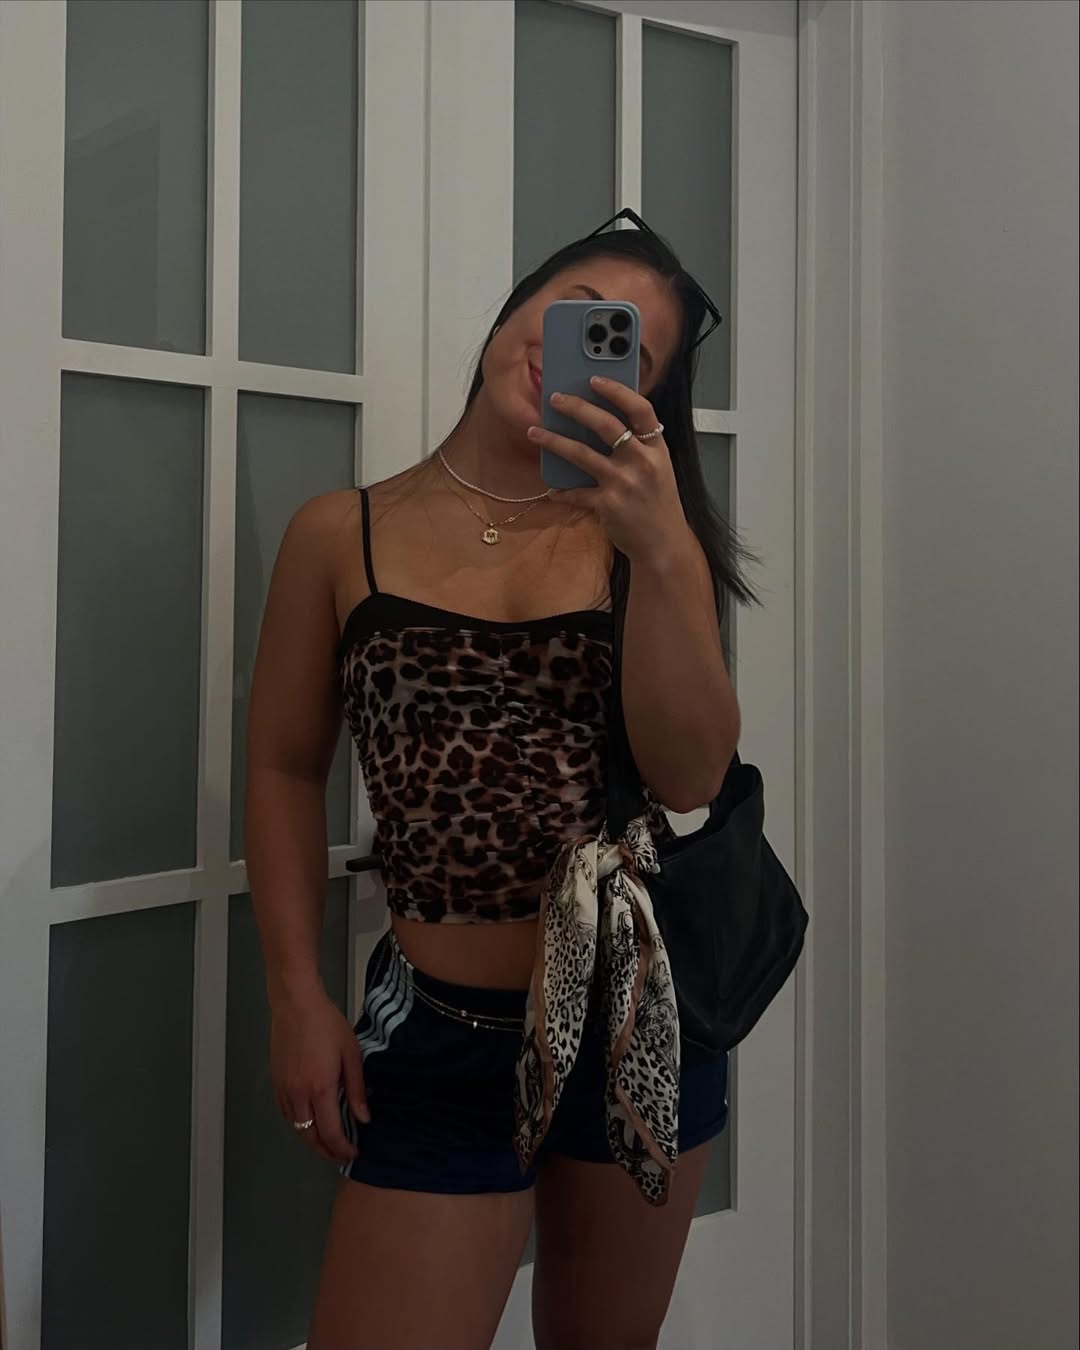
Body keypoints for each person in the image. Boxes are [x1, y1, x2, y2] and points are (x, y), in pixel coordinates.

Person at [245, 215, 751, 1350]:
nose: (573, 345)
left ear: (645, 397)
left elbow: (691, 773)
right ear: (519, 305)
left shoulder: (643, 538)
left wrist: (665, 548)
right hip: (439, 1031)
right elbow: (281, 767)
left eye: (626, 350)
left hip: (636, 1019)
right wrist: (295, 995)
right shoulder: (338, 533)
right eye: (574, 308)